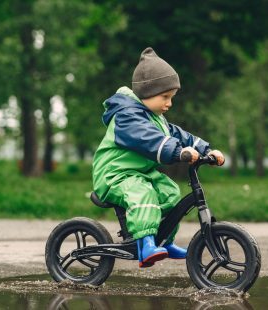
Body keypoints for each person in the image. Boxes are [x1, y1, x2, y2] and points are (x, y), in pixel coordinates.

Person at [92, 47, 225, 268]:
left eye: (171, 97)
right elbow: (149, 140)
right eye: (165, 96)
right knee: (143, 193)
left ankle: (163, 240)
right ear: (147, 92)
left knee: (169, 192)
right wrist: (177, 152)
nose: (169, 103)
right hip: (114, 175)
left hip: (139, 173)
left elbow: (178, 134)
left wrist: (206, 150)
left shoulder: (156, 118)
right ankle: (145, 246)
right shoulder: (127, 117)